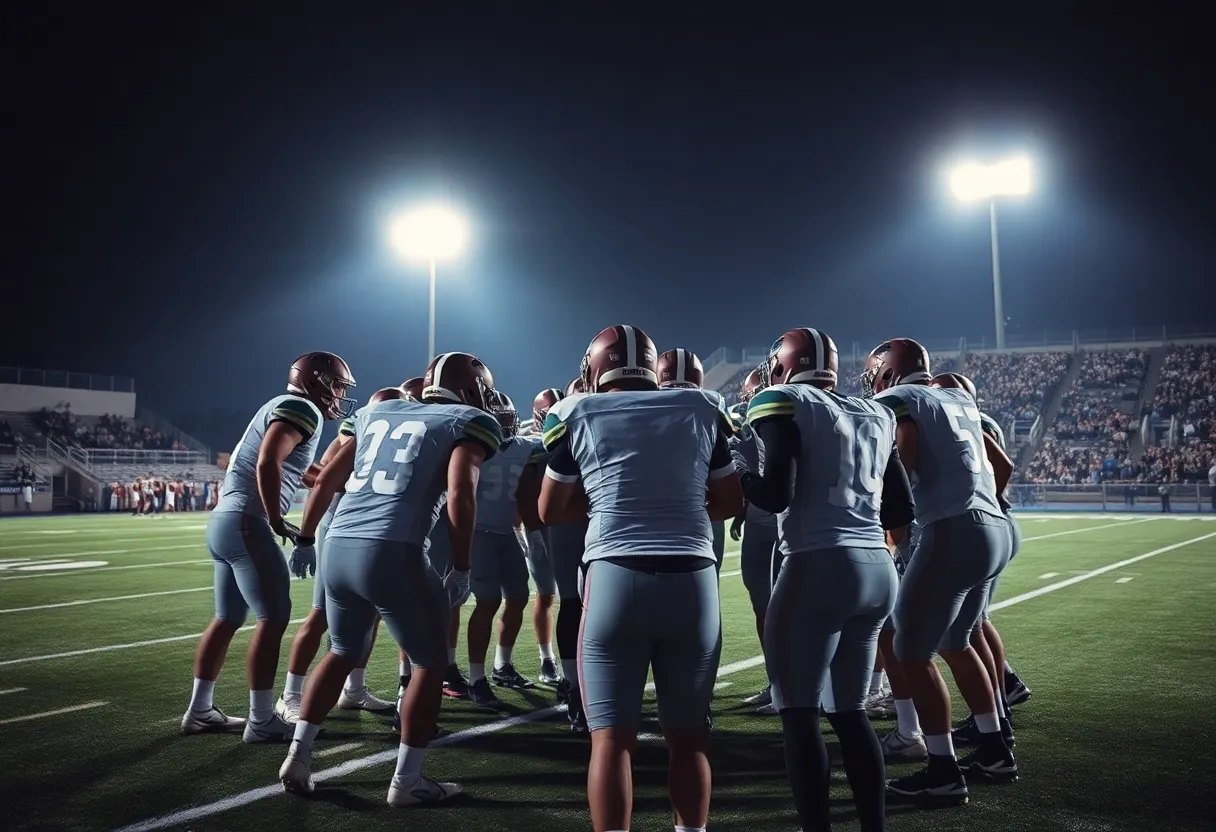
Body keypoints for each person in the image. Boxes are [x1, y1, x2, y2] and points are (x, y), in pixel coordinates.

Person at [539, 324, 744, 832]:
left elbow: (549, 508)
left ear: (594, 368)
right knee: (690, 735)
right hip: (693, 579)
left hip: (616, 578)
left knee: (611, 739)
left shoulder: (576, 412)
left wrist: (609, 504)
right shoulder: (702, 407)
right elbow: (730, 501)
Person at [277, 351, 501, 807]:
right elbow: (461, 492)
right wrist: (461, 565)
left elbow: (328, 480)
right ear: (475, 388)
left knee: (342, 651)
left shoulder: (378, 409)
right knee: (429, 663)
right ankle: (407, 780)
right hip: (393, 548)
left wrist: (304, 537)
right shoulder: (467, 421)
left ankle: (298, 756)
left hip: (338, 543)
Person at [737, 328, 911, 832]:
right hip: (876, 571)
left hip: (817, 566)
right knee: (851, 712)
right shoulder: (875, 410)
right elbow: (900, 506)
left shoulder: (782, 400)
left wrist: (739, 472)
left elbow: (774, 495)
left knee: (798, 714)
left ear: (782, 364)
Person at [864, 339, 1017, 806]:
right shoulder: (953, 395)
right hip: (993, 524)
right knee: (957, 639)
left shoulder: (900, 400)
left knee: (909, 649)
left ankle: (943, 770)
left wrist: (884, 501)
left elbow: (901, 458)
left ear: (887, 371)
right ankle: (994, 747)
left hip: (951, 528)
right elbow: (1002, 464)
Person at [180, 351, 356, 743]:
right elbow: (267, 462)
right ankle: (261, 720)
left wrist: (331, 477)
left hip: (225, 519)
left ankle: (200, 709)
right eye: (339, 385)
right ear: (319, 381)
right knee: (274, 617)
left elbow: (295, 467)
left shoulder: (283, 405)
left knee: (227, 617)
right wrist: (276, 521)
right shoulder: (301, 408)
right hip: (247, 521)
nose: (341, 393)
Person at [275, 388, 408, 725]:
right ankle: (289, 695)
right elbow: (312, 472)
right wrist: (347, 484)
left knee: (372, 615)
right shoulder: (353, 430)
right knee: (321, 615)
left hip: (366, 528)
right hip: (338, 524)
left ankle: (354, 688)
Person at [464, 390, 548, 709]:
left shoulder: (526, 446)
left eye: (506, 418)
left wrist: (534, 532)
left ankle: (502, 665)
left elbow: (527, 492)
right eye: (495, 418)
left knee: (519, 597)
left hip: (505, 532)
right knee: (487, 601)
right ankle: (475, 678)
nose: (502, 425)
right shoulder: (469, 446)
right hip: (477, 533)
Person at [727, 366, 782, 713]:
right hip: (761, 520)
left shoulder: (783, 418)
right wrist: (742, 509)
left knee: (787, 609)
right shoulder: (751, 428)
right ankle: (778, 681)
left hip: (787, 523)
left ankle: (796, 684)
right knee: (763, 605)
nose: (748, 402)